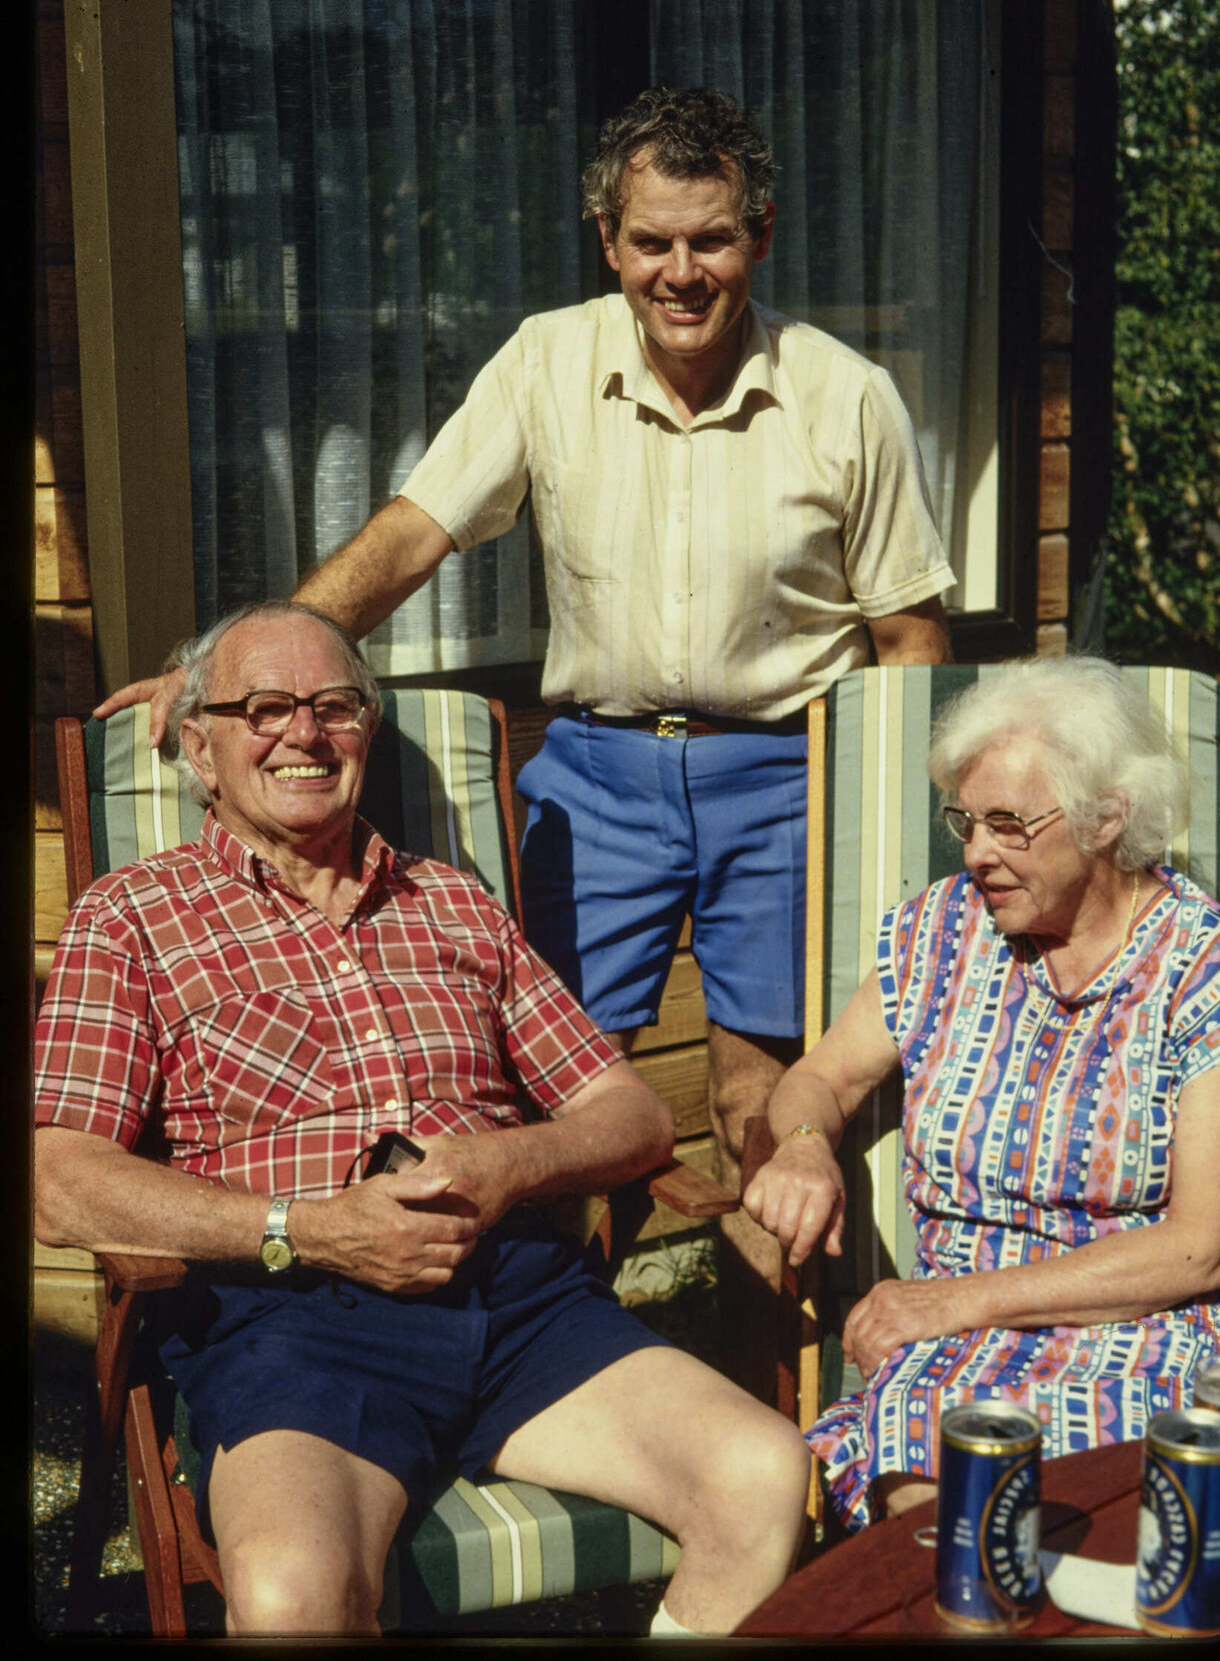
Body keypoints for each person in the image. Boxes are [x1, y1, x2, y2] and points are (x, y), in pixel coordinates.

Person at [95, 86, 955, 1392]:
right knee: (542, 1094)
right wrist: (230, 659)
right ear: (607, 239)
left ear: (760, 236)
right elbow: (412, 534)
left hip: (785, 770)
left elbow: (908, 642)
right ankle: (545, 1366)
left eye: (712, 239)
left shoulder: (848, 396)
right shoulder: (548, 361)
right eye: (653, 240)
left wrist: (913, 842)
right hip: (598, 771)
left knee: (758, 1093)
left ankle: (764, 1398)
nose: (683, 271)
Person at [36, 600, 812, 1636]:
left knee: (763, 1475)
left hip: (519, 1300)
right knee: (290, 1602)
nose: (305, 735)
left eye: (335, 707)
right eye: (264, 707)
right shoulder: (131, 916)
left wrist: (509, 1162)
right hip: (295, 1319)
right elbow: (57, 1178)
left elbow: (630, 1116)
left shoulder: (454, 902)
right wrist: (304, 1230)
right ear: (200, 751)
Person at [742, 656, 1220, 1530]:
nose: (976, 854)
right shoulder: (944, 932)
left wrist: (947, 1303)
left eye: (1007, 825)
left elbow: (1201, 1249)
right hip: (954, 1348)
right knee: (934, 1476)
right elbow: (819, 1079)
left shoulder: (1204, 968)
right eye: (965, 822)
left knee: (1117, 1507)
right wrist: (804, 1146)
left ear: (1104, 818)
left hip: (1139, 1326)